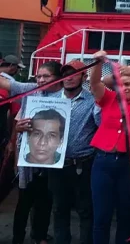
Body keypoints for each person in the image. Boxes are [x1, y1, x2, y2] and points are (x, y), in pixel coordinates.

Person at [89, 52, 130, 244]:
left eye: (129, 84)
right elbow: (95, 83)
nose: (125, 87)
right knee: (101, 215)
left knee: (126, 216)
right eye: (121, 84)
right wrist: (97, 63)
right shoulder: (109, 98)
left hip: (129, 164)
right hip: (103, 162)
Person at [3, 61, 63, 244]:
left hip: (53, 159)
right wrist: (17, 133)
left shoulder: (65, 96)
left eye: (46, 76)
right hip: (29, 158)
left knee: (45, 200)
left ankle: (40, 235)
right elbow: (18, 122)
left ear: (58, 78)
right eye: (38, 76)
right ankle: (17, 238)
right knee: (24, 201)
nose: (41, 80)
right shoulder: (32, 93)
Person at [49, 61, 97, 244]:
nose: (68, 78)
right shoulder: (50, 100)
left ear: (84, 77)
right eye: (65, 74)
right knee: (59, 209)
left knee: (86, 210)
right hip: (56, 164)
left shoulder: (93, 102)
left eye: (74, 74)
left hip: (83, 164)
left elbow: (101, 124)